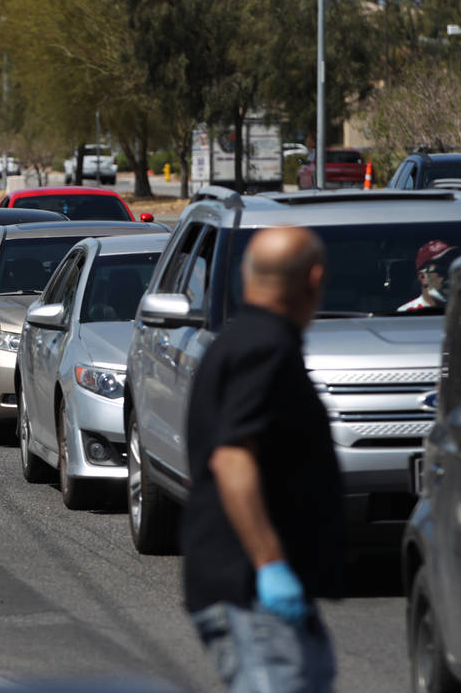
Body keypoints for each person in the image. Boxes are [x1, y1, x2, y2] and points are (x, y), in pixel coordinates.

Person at [183, 226, 344, 693]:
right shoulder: (264, 349)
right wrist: (269, 564)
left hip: (251, 581)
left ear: (243, 275)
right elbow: (232, 457)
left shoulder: (241, 342)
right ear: (313, 280)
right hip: (250, 587)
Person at [398, 239, 455, 312]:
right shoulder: (406, 314)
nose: (450, 276)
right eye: (442, 269)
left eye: (454, 269)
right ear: (422, 277)